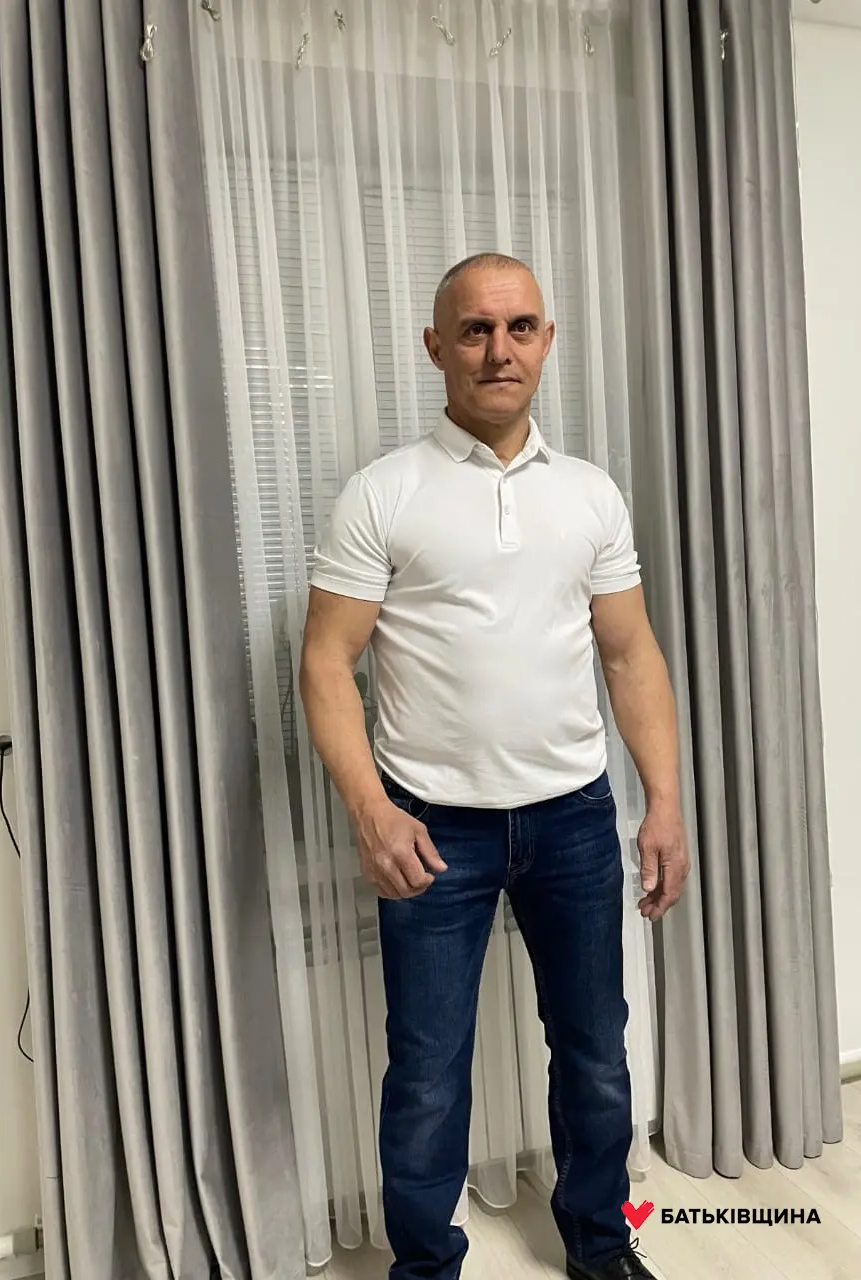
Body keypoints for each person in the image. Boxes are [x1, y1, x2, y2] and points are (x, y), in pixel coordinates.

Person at [298, 253, 689, 1280]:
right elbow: (326, 662)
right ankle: (426, 1268)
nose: (499, 349)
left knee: (595, 1052)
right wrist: (371, 810)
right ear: (437, 346)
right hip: (434, 829)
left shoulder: (590, 494)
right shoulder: (384, 492)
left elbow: (630, 654)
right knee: (429, 1072)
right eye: (475, 329)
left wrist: (663, 802)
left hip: (574, 818)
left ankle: (599, 1246)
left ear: (548, 341)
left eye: (520, 328)